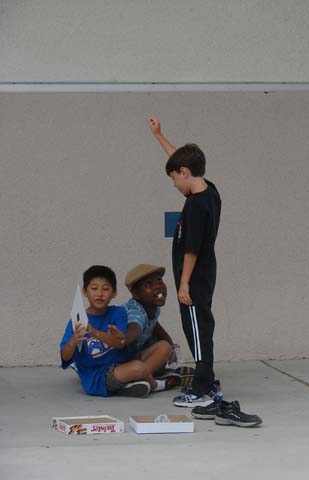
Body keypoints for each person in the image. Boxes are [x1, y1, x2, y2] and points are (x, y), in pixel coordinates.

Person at [147, 117, 262, 427]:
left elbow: (192, 250)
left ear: (185, 173)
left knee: (198, 330)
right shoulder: (207, 189)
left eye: (174, 179)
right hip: (201, 274)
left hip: (195, 277)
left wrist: (183, 284)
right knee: (198, 327)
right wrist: (160, 135)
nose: (174, 185)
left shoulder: (198, 206)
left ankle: (204, 389)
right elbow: (180, 161)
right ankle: (206, 381)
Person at [60, 265, 177, 397]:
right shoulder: (78, 320)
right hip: (99, 376)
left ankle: (132, 383)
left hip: (124, 362)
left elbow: (120, 343)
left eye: (106, 289)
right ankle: (155, 385)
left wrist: (95, 333)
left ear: (114, 293)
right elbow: (65, 356)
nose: (100, 294)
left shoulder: (118, 313)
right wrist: (73, 341)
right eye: (94, 288)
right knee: (138, 368)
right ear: (85, 292)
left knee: (164, 347)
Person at [122, 263, 182, 389]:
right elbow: (135, 326)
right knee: (164, 347)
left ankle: (142, 376)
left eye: (159, 280)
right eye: (148, 284)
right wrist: (125, 338)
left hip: (133, 356)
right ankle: (135, 380)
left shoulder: (152, 308)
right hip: (120, 360)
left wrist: (172, 348)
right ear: (136, 294)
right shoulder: (136, 311)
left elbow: (156, 327)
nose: (158, 286)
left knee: (165, 346)